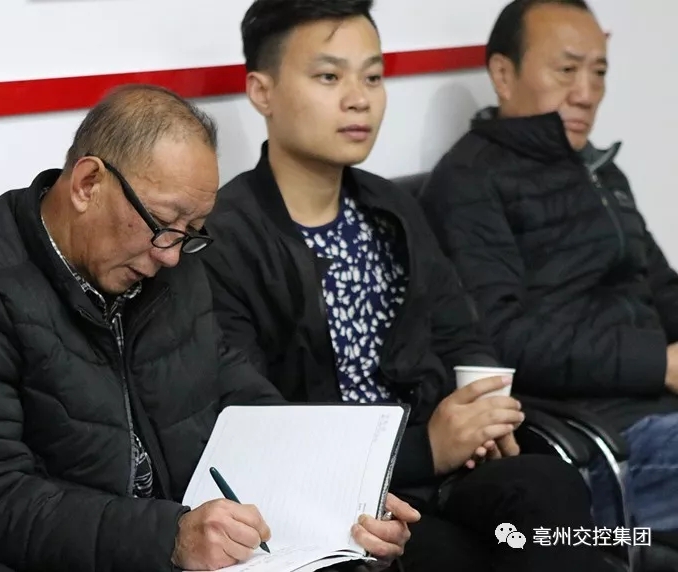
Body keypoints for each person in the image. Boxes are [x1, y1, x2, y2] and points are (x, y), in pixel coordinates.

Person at [0, 84, 416, 572]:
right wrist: (167, 537)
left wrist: (338, 494)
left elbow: (230, 386)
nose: (172, 256)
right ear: (88, 184)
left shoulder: (168, 265)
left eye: (192, 232)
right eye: (163, 225)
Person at [200, 1, 619, 570]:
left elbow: (461, 331)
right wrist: (426, 449)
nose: (360, 98)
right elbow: (255, 425)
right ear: (262, 91)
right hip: (333, 501)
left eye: (373, 77)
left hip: (437, 473)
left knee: (549, 488)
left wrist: (484, 415)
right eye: (329, 77)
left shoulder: (390, 208)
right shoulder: (226, 239)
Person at [419, 0, 678, 531]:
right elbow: (502, 340)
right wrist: (661, 363)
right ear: (503, 74)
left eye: (598, 72)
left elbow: (662, 288)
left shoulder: (600, 171)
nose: (586, 93)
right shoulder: (468, 183)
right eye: (566, 69)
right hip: (599, 440)